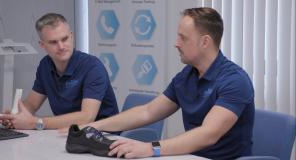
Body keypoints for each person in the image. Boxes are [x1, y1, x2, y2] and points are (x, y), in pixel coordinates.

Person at [86, 7, 255, 159]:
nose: (176, 44)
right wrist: (93, 126)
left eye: (183, 38)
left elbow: (208, 134)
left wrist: (151, 148)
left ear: (205, 42)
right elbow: (148, 112)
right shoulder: (187, 76)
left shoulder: (235, 80)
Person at [0, 13, 119, 130]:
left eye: (64, 39)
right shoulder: (45, 65)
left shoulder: (92, 67)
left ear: (71, 36)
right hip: (68, 133)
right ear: (42, 45)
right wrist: (15, 116)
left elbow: (87, 117)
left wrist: (36, 123)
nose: (61, 46)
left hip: (104, 136)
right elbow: (31, 104)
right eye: (53, 42)